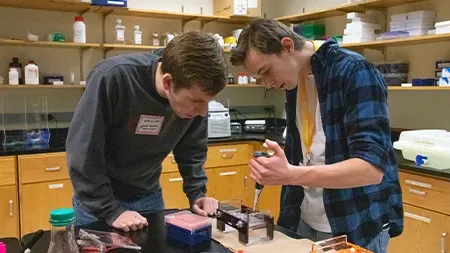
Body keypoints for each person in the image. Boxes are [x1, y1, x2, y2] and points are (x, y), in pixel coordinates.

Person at [230, 19, 403, 253]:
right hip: (304, 218)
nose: (268, 84)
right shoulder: (293, 82)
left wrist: (291, 174)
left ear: (288, 46)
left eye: (266, 72)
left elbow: (371, 169)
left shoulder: (354, 71)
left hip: (353, 223)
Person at [66, 31, 228, 232]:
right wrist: (110, 210)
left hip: (148, 196)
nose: (203, 112)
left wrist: (197, 193)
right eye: (196, 101)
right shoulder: (112, 78)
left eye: (208, 102)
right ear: (168, 82)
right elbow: (84, 153)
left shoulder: (194, 100)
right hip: (98, 203)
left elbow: (192, 150)